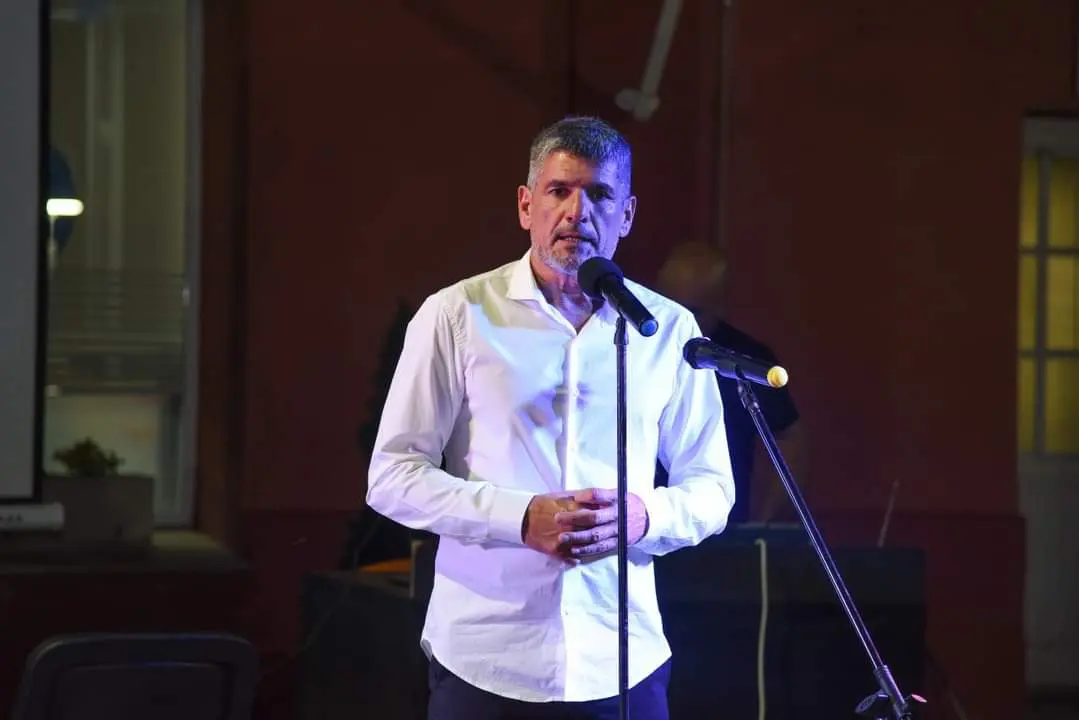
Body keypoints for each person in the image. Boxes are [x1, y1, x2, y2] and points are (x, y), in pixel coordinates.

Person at [366, 116, 735, 719]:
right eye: (560, 190)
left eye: (600, 195)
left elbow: (713, 488)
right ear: (526, 204)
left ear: (627, 215)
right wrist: (520, 518)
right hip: (487, 658)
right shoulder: (457, 314)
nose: (576, 212)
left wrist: (645, 516)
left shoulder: (667, 329)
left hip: (621, 657)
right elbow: (392, 477)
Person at [655, 241, 806, 524]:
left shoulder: (744, 359)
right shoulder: (633, 349)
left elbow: (790, 437)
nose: (680, 321)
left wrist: (764, 519)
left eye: (693, 312)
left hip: (724, 528)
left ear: (720, 305)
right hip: (646, 526)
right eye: (671, 305)